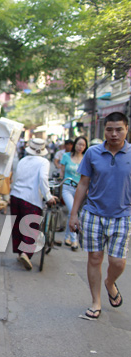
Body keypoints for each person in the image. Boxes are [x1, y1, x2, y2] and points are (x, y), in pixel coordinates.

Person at [69, 112, 130, 320]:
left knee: (118, 261)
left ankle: (110, 282)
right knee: (94, 258)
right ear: (104, 130)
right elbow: (83, 183)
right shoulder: (93, 153)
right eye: (110, 129)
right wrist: (74, 214)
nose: (114, 134)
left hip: (122, 215)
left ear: (126, 130)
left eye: (119, 129)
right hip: (93, 213)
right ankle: (96, 301)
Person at [10, 138, 58, 270]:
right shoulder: (43, 162)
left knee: (18, 225)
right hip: (31, 198)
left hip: (15, 196)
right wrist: (48, 196)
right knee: (31, 228)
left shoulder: (22, 161)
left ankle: (20, 252)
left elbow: (15, 177)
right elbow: (43, 179)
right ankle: (26, 253)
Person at [60, 136, 88, 250]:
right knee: (73, 210)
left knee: (73, 213)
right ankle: (74, 240)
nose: (80, 147)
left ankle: (67, 236)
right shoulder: (66, 156)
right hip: (67, 187)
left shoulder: (86, 158)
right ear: (74, 145)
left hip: (80, 190)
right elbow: (61, 172)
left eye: (83, 145)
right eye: (78, 144)